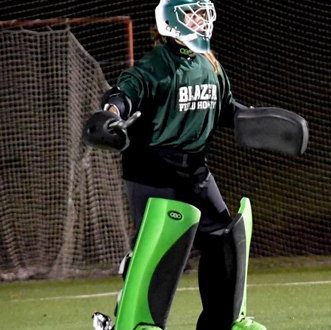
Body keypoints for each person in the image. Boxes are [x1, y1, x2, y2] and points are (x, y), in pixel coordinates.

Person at [83, 0, 308, 329]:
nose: (202, 21)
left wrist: (253, 120)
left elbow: (225, 107)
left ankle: (226, 321)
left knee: (224, 242)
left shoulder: (209, 63)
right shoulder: (156, 66)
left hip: (194, 169)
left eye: (204, 14)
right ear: (172, 21)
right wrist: (112, 115)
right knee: (160, 249)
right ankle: (134, 323)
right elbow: (122, 94)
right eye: (194, 14)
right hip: (151, 169)